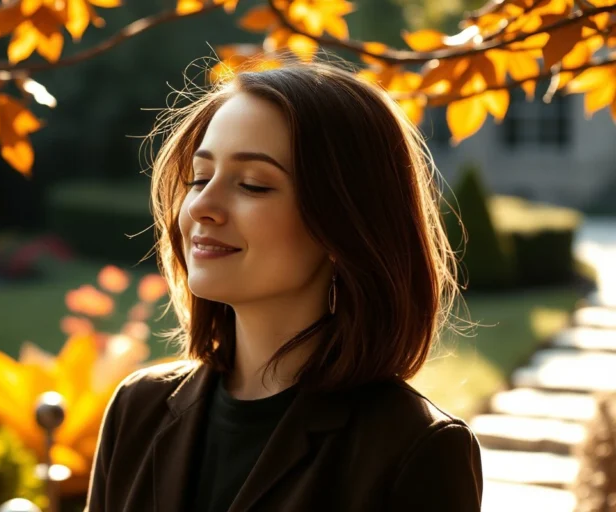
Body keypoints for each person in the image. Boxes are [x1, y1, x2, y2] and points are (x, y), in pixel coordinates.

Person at [84, 57, 483, 512]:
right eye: (199, 177)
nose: (201, 206)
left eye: (253, 185)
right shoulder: (138, 409)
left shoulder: (413, 449)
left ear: (344, 224)